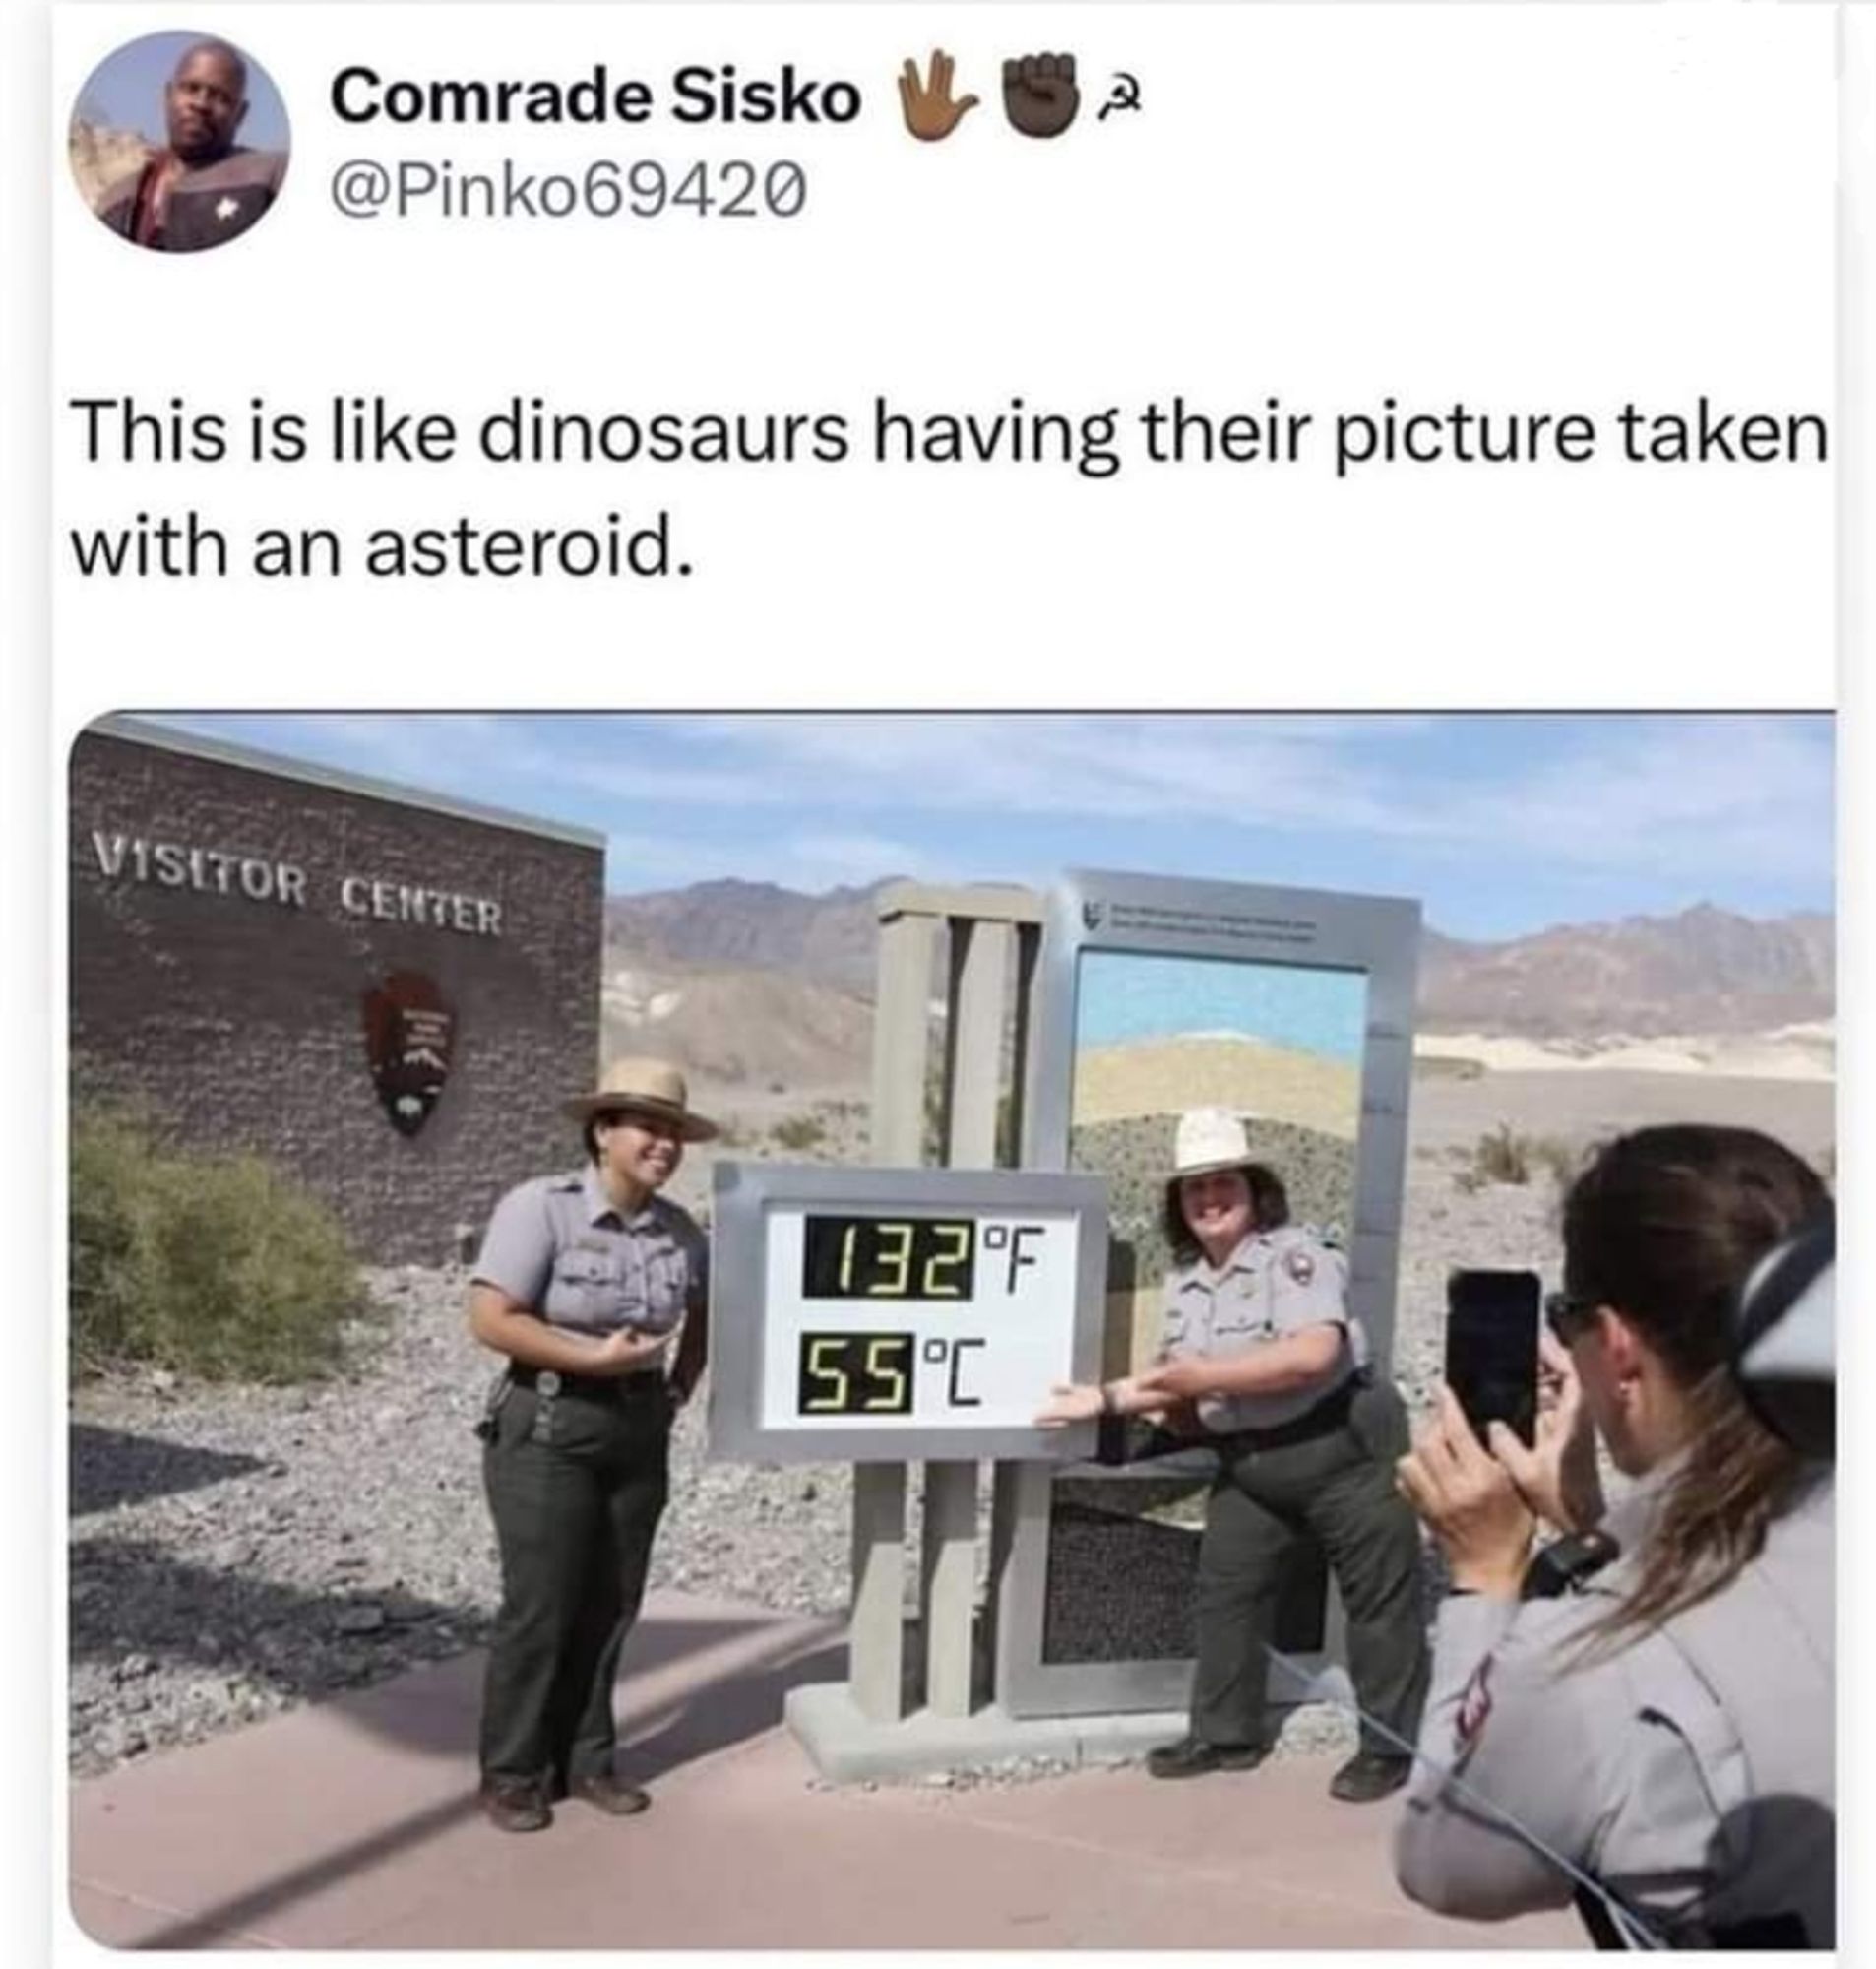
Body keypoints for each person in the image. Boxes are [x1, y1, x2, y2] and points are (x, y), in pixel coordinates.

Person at [1393, 1125, 1834, 1947]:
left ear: (1619, 1349)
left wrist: (1487, 1576)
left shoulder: (1583, 1660)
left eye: (1569, 1321)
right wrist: (1594, 1529)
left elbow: (1448, 1860)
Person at [1037, 1108, 1429, 1801]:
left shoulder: (1296, 1255)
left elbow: (1313, 1355)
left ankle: (1390, 1748)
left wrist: (1199, 1382)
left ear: (1254, 1190)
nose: (1210, 1200)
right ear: (1179, 1205)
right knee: (1226, 1593)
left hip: (1344, 1452)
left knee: (1381, 1606)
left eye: (1224, 1184)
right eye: (1195, 1190)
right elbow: (1174, 1384)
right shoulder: (1188, 1285)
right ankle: (1225, 1735)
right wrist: (1101, 1402)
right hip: (1254, 1463)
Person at [467, 1058, 715, 1834]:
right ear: (603, 1131)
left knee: (612, 1603)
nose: (664, 1144)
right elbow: (492, 1318)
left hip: (638, 1428)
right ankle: (514, 1771)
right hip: (549, 1424)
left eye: (673, 1131)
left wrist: (676, 1390)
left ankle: (588, 1760)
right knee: (542, 1605)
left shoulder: (679, 1230)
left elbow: (703, 1313)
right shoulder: (540, 1209)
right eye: (647, 1126)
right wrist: (590, 1360)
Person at [95, 39, 287, 251]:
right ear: (168, 96)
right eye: (191, 88)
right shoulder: (115, 200)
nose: (200, 104)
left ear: (240, 114)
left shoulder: (270, 178)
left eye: (219, 97)